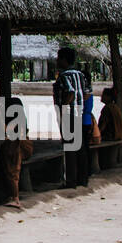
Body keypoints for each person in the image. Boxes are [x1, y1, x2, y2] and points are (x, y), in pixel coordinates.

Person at [52, 46, 88, 188]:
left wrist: (63, 109)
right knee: (80, 147)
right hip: (78, 113)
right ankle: (82, 179)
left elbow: (70, 92)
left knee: (70, 148)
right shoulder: (80, 74)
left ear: (64, 59)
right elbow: (86, 93)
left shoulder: (64, 76)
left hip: (69, 116)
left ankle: (71, 181)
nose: (57, 60)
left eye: (58, 58)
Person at [0, 95, 33, 209]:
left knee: (12, 173)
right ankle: (13, 196)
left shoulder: (13, 123)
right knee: (13, 172)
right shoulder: (22, 119)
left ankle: (15, 198)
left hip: (14, 147)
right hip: (22, 146)